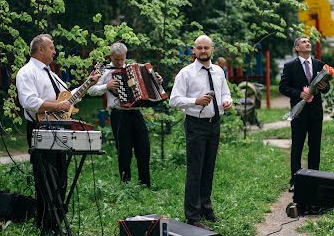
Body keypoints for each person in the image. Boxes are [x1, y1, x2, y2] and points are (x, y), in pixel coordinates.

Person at [16, 34, 100, 232]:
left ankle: (56, 224)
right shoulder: (27, 72)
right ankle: (45, 226)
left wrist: (88, 84)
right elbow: (28, 101)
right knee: (46, 180)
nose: (55, 51)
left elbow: (67, 99)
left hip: (59, 129)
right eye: (51, 47)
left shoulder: (51, 74)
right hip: (40, 129)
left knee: (61, 179)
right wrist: (56, 106)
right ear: (41, 49)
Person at [169, 35, 232, 231]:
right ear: (193, 51)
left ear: (212, 50)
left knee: (208, 168)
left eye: (206, 47)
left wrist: (227, 101)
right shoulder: (185, 73)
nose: (203, 51)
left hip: (214, 124)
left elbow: (225, 91)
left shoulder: (219, 71)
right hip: (196, 124)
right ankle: (192, 216)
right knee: (195, 171)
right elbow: (174, 100)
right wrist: (195, 101)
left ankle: (206, 209)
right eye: (199, 48)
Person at [88, 42, 162, 186]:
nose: (120, 62)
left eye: (122, 59)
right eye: (117, 60)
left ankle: (145, 184)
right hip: (119, 114)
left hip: (136, 112)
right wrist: (106, 86)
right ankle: (125, 183)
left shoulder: (131, 69)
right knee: (124, 151)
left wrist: (156, 80)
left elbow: (147, 84)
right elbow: (91, 90)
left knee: (144, 148)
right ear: (111, 56)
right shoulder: (104, 71)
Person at [278, 36, 330, 193]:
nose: (308, 43)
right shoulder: (289, 66)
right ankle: (295, 180)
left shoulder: (320, 65)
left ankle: (314, 178)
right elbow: (283, 87)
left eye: (309, 42)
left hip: (316, 112)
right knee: (297, 146)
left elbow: (326, 89)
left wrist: (323, 86)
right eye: (304, 42)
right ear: (297, 48)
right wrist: (299, 94)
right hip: (299, 112)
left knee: (315, 146)